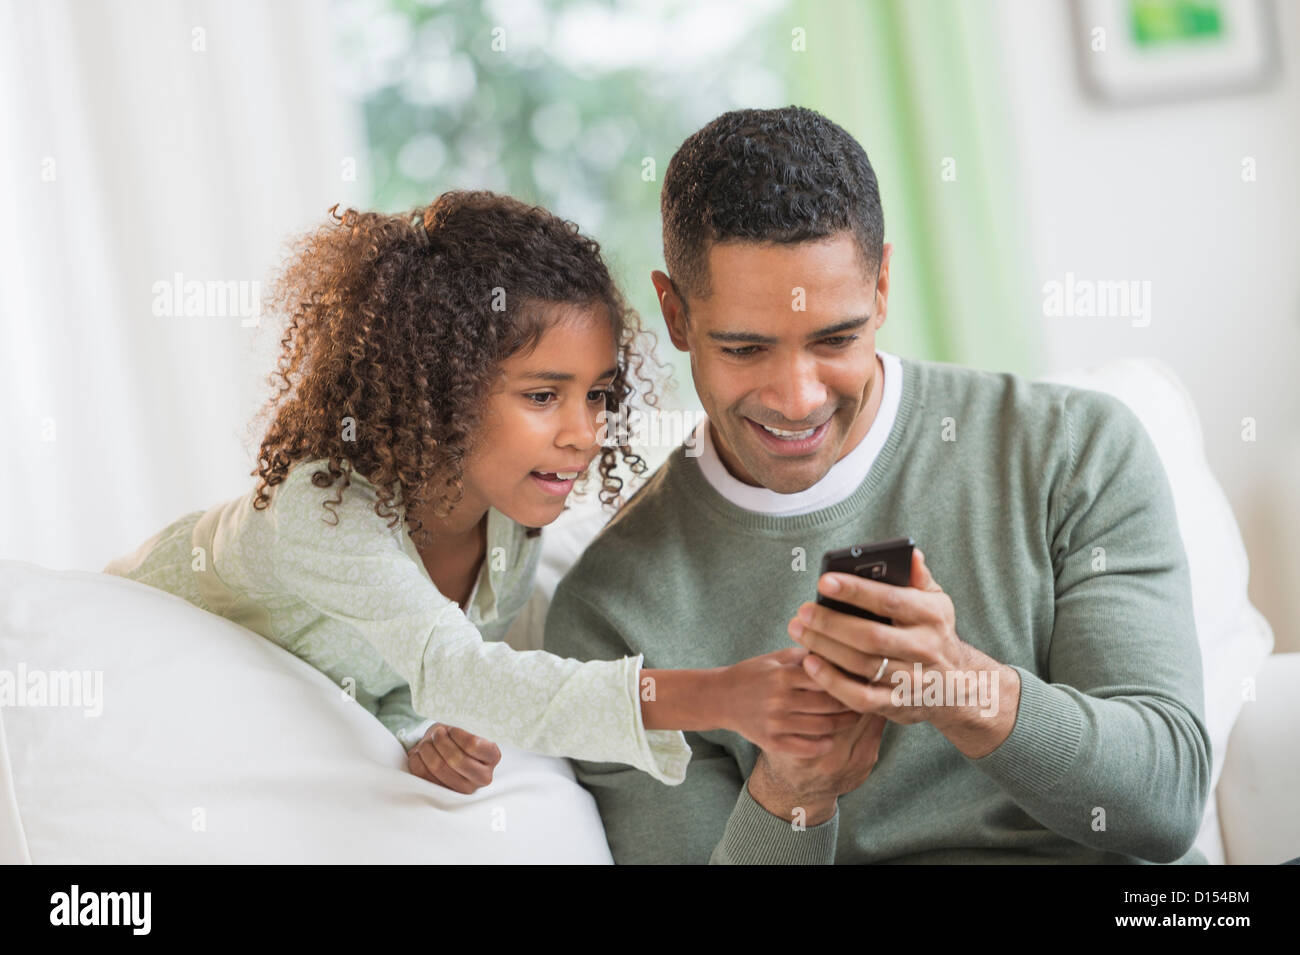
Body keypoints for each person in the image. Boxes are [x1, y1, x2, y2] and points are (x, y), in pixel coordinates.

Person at [543, 106, 1212, 863]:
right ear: (676, 314)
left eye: (835, 339)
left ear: (884, 285)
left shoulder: (1073, 449)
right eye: (746, 347)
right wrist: (794, 792)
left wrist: (965, 688)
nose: (797, 398)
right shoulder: (613, 614)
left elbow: (1167, 806)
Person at [103, 190, 860, 794]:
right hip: (124, 655)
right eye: (542, 395)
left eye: (598, 395)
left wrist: (418, 733)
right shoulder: (321, 507)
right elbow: (460, 671)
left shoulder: (509, 540)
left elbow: (396, 674)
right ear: (440, 391)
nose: (585, 432)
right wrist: (717, 695)